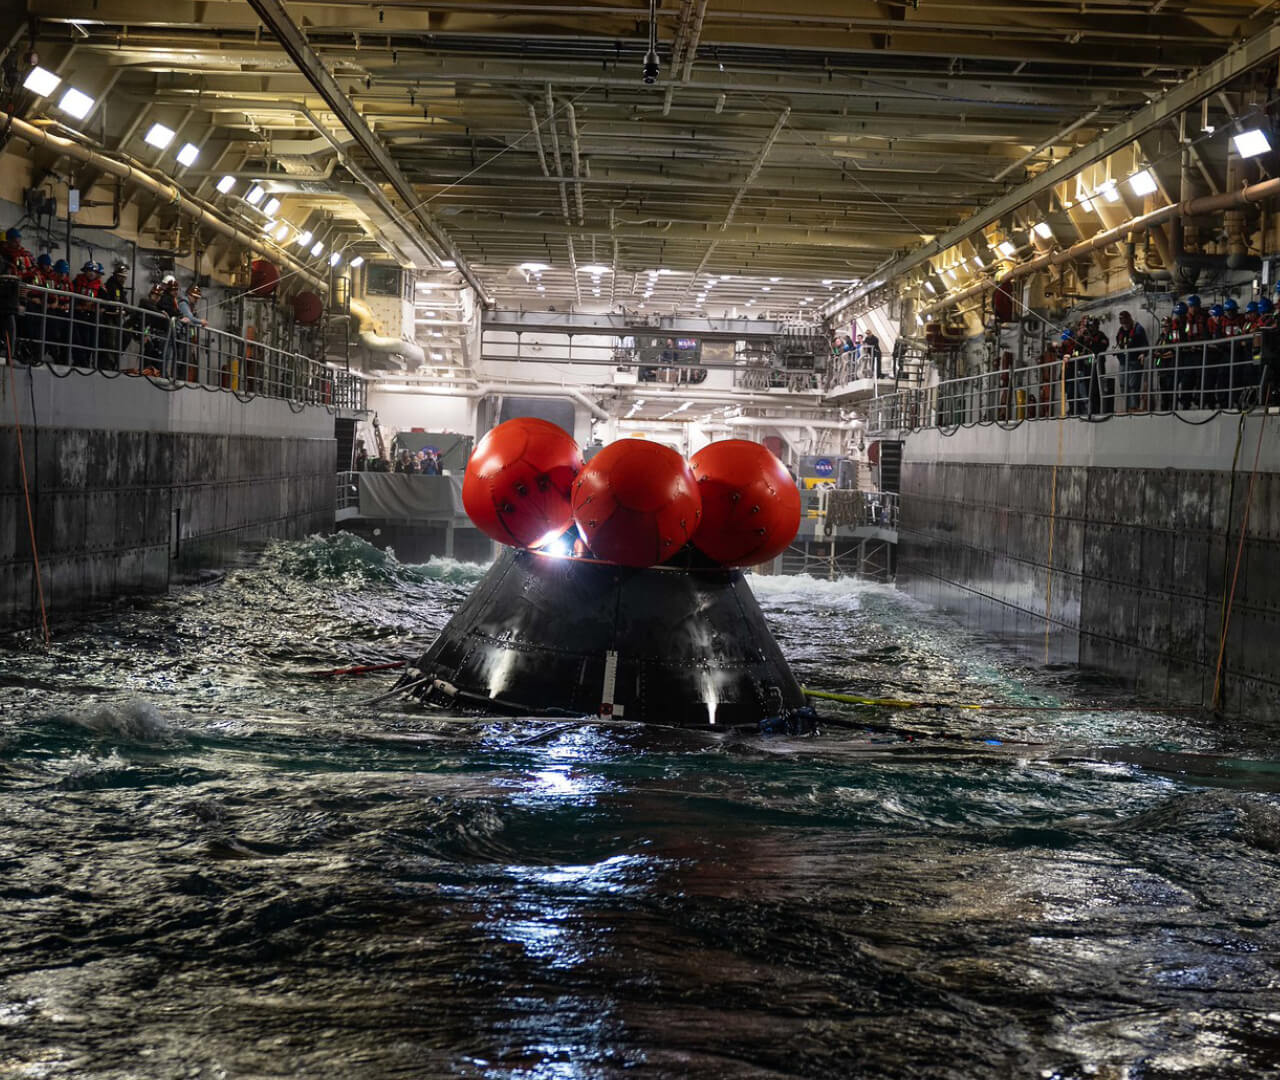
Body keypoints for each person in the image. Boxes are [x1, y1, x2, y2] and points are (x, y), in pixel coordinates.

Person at [97, 261, 131, 371]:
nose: (123, 279)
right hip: (109, 319)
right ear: (116, 275)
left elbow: (125, 305)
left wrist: (124, 311)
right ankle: (107, 366)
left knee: (119, 340)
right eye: (121, 277)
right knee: (110, 342)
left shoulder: (119, 288)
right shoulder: (110, 286)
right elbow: (106, 304)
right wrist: (118, 310)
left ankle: (112, 364)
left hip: (116, 319)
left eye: (124, 277)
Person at [70, 260, 104, 368]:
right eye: (89, 271)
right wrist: (79, 306)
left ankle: (86, 362)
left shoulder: (100, 286)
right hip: (78, 314)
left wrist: (95, 306)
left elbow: (106, 302)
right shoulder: (77, 282)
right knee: (78, 339)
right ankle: (78, 361)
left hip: (91, 317)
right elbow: (71, 296)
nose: (91, 273)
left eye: (93, 271)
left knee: (90, 340)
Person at [1114, 310, 1149, 413]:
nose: (1124, 324)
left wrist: (1143, 353)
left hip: (1134, 361)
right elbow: (1119, 344)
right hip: (1123, 361)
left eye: (1125, 321)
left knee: (1133, 385)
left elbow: (1144, 343)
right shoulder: (1120, 331)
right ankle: (1127, 406)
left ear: (1129, 319)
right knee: (1123, 384)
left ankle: (1133, 406)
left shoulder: (1138, 329)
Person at [1178, 294, 1209, 409]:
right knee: (1187, 379)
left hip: (1200, 352)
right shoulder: (1184, 320)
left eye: (1195, 306)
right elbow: (1183, 334)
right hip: (1188, 354)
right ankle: (1185, 402)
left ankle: (1200, 400)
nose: (1194, 309)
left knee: (1201, 377)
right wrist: (1186, 346)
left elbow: (1207, 334)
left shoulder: (1204, 318)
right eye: (1192, 306)